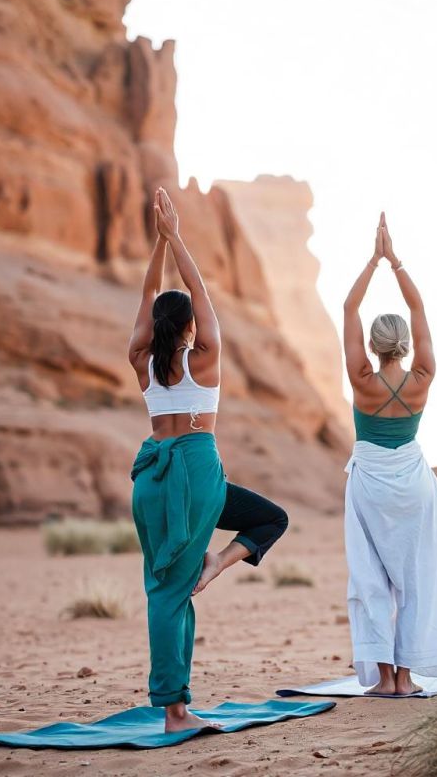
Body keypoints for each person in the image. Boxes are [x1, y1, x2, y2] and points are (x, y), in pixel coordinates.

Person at [128, 188, 288, 731]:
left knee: (164, 586)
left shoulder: (141, 361)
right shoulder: (207, 358)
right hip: (194, 473)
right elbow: (199, 294)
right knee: (269, 520)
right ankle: (175, 710)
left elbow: (153, 295)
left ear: (154, 328)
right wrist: (175, 237)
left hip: (151, 474)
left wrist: (158, 247)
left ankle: (176, 703)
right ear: (191, 326)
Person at [342, 212, 437, 696]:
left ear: (371, 345)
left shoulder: (362, 380)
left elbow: (349, 309)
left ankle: (384, 678)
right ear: (405, 345)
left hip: (369, 483)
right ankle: (406, 678)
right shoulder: (422, 377)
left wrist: (372, 261)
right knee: (416, 578)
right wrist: (396, 262)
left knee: (370, 578)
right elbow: (420, 307)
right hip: (412, 483)